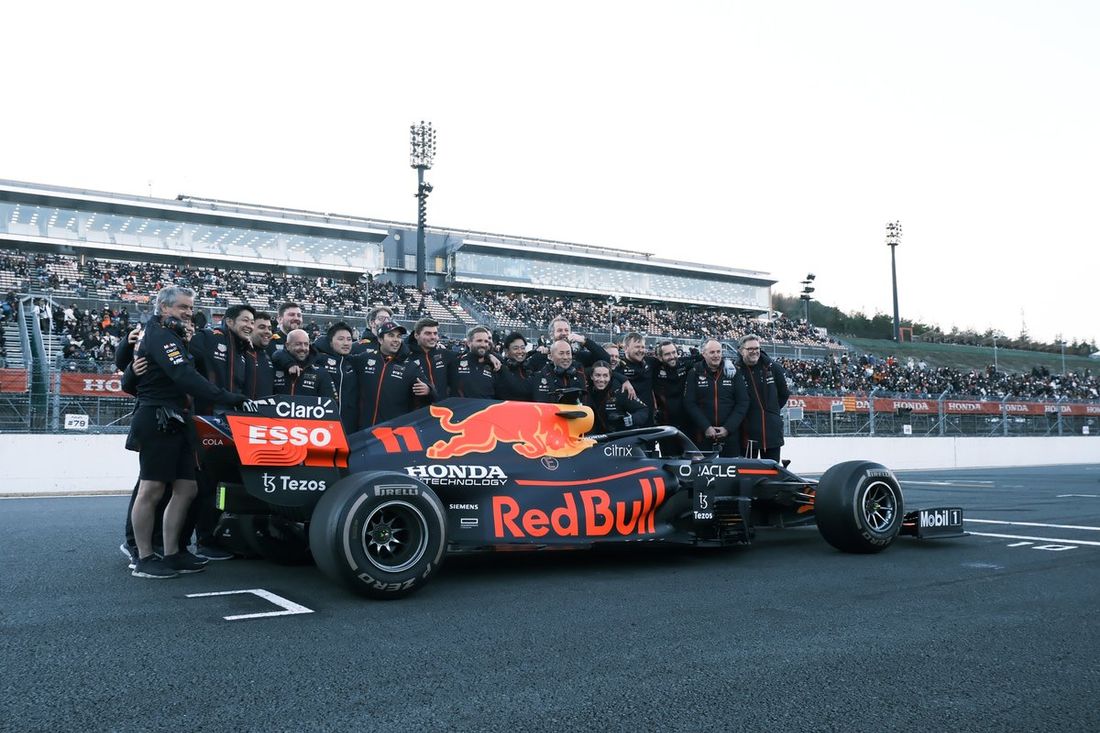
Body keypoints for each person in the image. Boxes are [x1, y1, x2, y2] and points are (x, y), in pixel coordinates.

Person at [126, 286, 250, 579]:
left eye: (190, 308)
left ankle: (173, 553)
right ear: (163, 307)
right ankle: (143, 557)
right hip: (157, 416)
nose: (187, 313)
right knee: (152, 488)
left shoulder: (174, 335)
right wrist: (229, 397)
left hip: (179, 418)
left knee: (187, 488)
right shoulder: (158, 334)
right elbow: (184, 376)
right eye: (182, 307)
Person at [357, 321, 434, 427]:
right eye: (391, 335)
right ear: (380, 339)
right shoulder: (364, 358)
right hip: (363, 430)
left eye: (398, 336)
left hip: (392, 432)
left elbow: (432, 393)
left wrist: (428, 390)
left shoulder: (410, 366)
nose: (396, 340)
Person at [684, 338, 748, 457]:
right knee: (702, 472)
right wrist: (706, 427)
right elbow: (690, 403)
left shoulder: (733, 372)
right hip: (702, 435)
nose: (716, 355)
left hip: (730, 436)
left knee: (731, 473)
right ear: (704, 354)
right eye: (712, 352)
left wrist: (728, 428)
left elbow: (743, 402)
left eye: (718, 352)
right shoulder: (694, 372)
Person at [734, 333, 790, 461]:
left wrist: (771, 411)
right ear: (741, 351)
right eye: (750, 349)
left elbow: (784, 393)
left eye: (757, 348)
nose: (754, 352)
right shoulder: (735, 371)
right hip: (747, 433)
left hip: (772, 432)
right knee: (748, 475)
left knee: (772, 474)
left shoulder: (772, 367)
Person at [313, 321, 362, 433]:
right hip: (322, 427)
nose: (346, 343)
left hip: (349, 428)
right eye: (341, 339)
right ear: (330, 342)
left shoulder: (354, 362)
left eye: (349, 339)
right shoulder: (317, 358)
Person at [273, 329, 338, 399]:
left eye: (306, 344)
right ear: (287, 345)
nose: (303, 348)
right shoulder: (275, 367)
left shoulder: (321, 372)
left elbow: (330, 404)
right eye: (298, 344)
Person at [588, 361, 650, 432]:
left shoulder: (620, 392)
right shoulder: (587, 390)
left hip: (619, 436)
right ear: (591, 376)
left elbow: (643, 410)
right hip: (596, 436)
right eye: (597, 375)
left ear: (610, 377)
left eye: (605, 376)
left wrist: (630, 419)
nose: (601, 379)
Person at [406, 317, 458, 401]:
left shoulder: (446, 355)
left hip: (442, 410)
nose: (433, 337)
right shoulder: (406, 357)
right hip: (418, 411)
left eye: (435, 333)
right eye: (428, 333)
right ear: (416, 335)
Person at [614, 332, 658, 425]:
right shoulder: (619, 366)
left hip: (649, 419)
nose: (641, 350)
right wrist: (623, 379)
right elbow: (605, 370)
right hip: (629, 419)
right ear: (626, 348)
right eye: (637, 347)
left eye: (642, 347)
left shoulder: (650, 362)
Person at [453, 325, 505, 399]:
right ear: (469, 343)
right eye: (479, 341)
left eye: (486, 341)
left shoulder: (495, 365)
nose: (483, 344)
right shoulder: (455, 362)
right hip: (462, 409)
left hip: (487, 409)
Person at [653, 340, 693, 433]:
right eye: (667, 354)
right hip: (665, 424)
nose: (672, 357)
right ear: (659, 357)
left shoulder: (685, 364)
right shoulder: (654, 367)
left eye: (674, 352)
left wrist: (726, 361)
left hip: (687, 423)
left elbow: (705, 357)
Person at [497, 331, 534, 400]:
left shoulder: (529, 369)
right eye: (515, 348)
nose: (520, 351)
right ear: (506, 351)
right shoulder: (499, 369)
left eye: (523, 348)